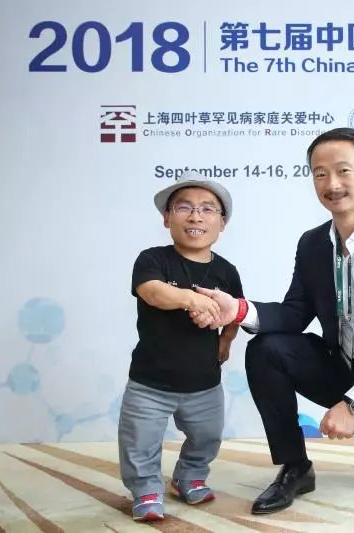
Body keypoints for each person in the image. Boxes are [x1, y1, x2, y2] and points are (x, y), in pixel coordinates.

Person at [195, 128, 354, 515]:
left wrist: (353, 406)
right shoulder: (312, 244)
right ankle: (294, 466)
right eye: (320, 174)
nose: (332, 184)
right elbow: (295, 313)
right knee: (266, 348)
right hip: (340, 364)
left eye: (343, 171)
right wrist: (239, 310)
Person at [118, 170, 243, 522]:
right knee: (139, 441)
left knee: (207, 437)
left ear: (221, 224)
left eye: (207, 209)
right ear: (167, 218)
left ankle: (189, 476)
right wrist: (191, 299)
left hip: (204, 382)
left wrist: (226, 339)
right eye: (184, 207)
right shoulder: (153, 259)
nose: (195, 216)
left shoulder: (227, 271)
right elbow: (152, 292)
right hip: (150, 382)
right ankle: (145, 490)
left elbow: (236, 311)